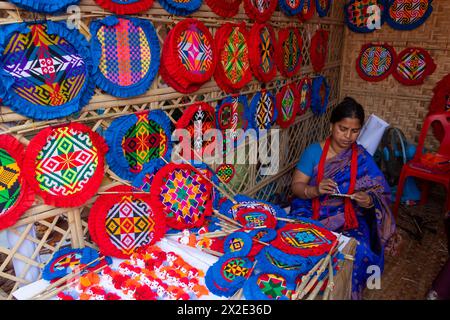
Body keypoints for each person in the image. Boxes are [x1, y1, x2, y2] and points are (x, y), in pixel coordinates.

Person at [290, 97, 396, 299]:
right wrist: (315, 190)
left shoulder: (362, 156)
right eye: (342, 128)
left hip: (350, 215)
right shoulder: (314, 151)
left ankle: (345, 291)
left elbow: (379, 190)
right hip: (311, 209)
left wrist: (369, 200)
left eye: (354, 131)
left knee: (358, 248)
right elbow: (297, 187)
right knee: (303, 243)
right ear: (332, 125)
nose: (348, 136)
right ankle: (306, 288)